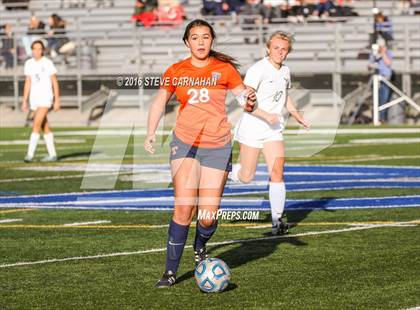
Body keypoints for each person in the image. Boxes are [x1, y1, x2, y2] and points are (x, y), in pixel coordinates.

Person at [144, 19, 256, 288]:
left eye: (205, 37)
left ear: (212, 40)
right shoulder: (176, 70)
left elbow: (245, 101)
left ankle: (200, 248)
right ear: (186, 42)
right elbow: (159, 102)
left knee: (207, 215)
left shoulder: (225, 69)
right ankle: (170, 272)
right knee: (183, 208)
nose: (201, 42)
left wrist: (250, 101)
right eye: (195, 37)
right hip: (185, 144)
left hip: (217, 145)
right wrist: (150, 132)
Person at [231, 31, 309, 235]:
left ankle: (277, 221)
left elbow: (285, 95)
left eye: (284, 49)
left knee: (277, 172)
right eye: (276, 48)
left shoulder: (285, 71)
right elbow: (243, 100)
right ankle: (225, 172)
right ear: (268, 48)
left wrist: (296, 113)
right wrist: (265, 115)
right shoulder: (258, 69)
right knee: (247, 177)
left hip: (273, 129)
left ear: (288, 52)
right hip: (253, 127)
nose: (280, 52)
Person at [22, 40, 60, 162]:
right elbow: (28, 82)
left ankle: (30, 155)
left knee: (36, 124)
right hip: (34, 99)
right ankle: (53, 154)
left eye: (39, 49)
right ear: (31, 50)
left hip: (46, 97)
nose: (37, 51)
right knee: (45, 125)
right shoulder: (28, 63)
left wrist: (57, 100)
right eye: (34, 49)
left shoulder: (48, 63)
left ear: (43, 50)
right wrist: (24, 100)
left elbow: (54, 81)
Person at [368, 39, 393, 124]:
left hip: (385, 79)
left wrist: (383, 53)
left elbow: (388, 63)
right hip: (375, 79)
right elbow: (369, 66)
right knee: (375, 100)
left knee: (384, 99)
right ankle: (375, 118)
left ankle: (382, 118)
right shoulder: (374, 53)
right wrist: (374, 60)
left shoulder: (388, 53)